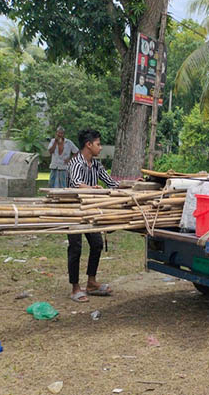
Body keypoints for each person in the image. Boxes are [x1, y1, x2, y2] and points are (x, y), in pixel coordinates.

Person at [66, 129, 119, 302]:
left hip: (91, 211)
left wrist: (133, 184)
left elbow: (111, 183)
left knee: (96, 244)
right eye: (98, 144)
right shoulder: (76, 163)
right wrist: (91, 188)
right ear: (88, 145)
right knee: (75, 247)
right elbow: (75, 183)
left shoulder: (96, 165)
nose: (101, 148)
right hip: (74, 211)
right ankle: (75, 288)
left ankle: (91, 282)